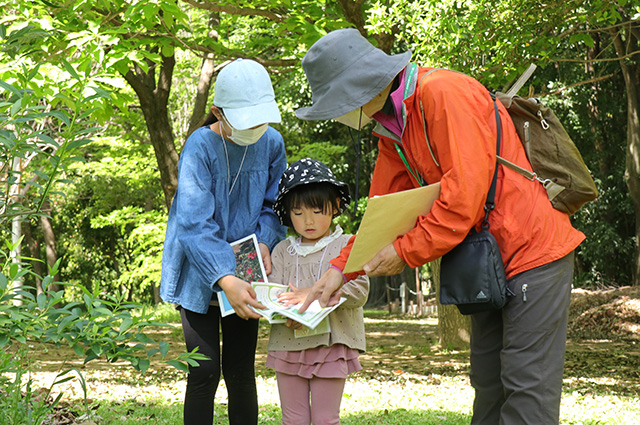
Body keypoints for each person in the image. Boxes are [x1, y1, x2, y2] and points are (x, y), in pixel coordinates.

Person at [294, 28, 585, 425]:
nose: (340, 114)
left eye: (338, 103)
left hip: (533, 249)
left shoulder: (443, 93)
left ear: (362, 86)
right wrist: (339, 270)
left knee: (526, 388)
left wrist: (404, 252)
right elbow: (384, 214)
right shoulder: (390, 127)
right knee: (488, 384)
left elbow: (461, 201)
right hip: (487, 262)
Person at [160, 58, 287, 425]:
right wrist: (224, 277)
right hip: (199, 273)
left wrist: (264, 243)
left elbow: (274, 205)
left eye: (261, 119)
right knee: (203, 372)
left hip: (247, 272)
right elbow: (194, 222)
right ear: (218, 112)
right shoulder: (199, 146)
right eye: (245, 120)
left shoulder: (272, 142)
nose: (255, 129)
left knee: (240, 373)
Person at [267, 158, 369, 425]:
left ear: (335, 206)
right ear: (287, 213)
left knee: (326, 419)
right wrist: (282, 313)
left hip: (331, 344)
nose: (308, 221)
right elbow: (273, 295)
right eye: (298, 213)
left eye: (317, 211)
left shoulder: (346, 245)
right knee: (293, 420)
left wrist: (318, 294)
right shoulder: (282, 251)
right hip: (288, 343)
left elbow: (360, 290)